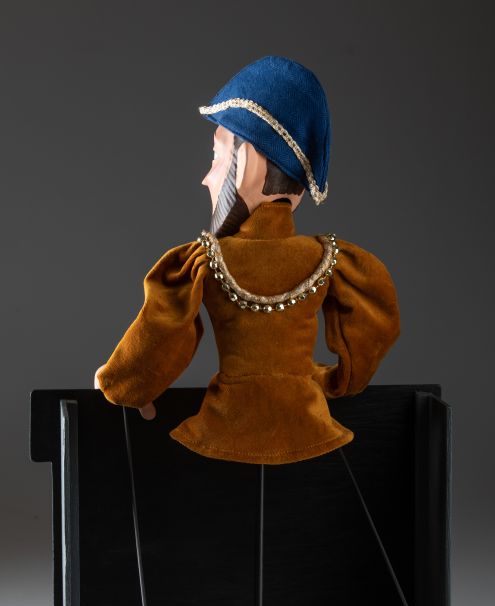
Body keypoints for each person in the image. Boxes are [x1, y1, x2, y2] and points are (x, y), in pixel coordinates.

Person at [95, 55, 400, 465]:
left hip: (224, 431)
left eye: (217, 157)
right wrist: (335, 382)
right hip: (313, 434)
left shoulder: (204, 260)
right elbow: (372, 333)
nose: (207, 177)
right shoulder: (331, 258)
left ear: (249, 166)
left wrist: (122, 386)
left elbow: (162, 334)